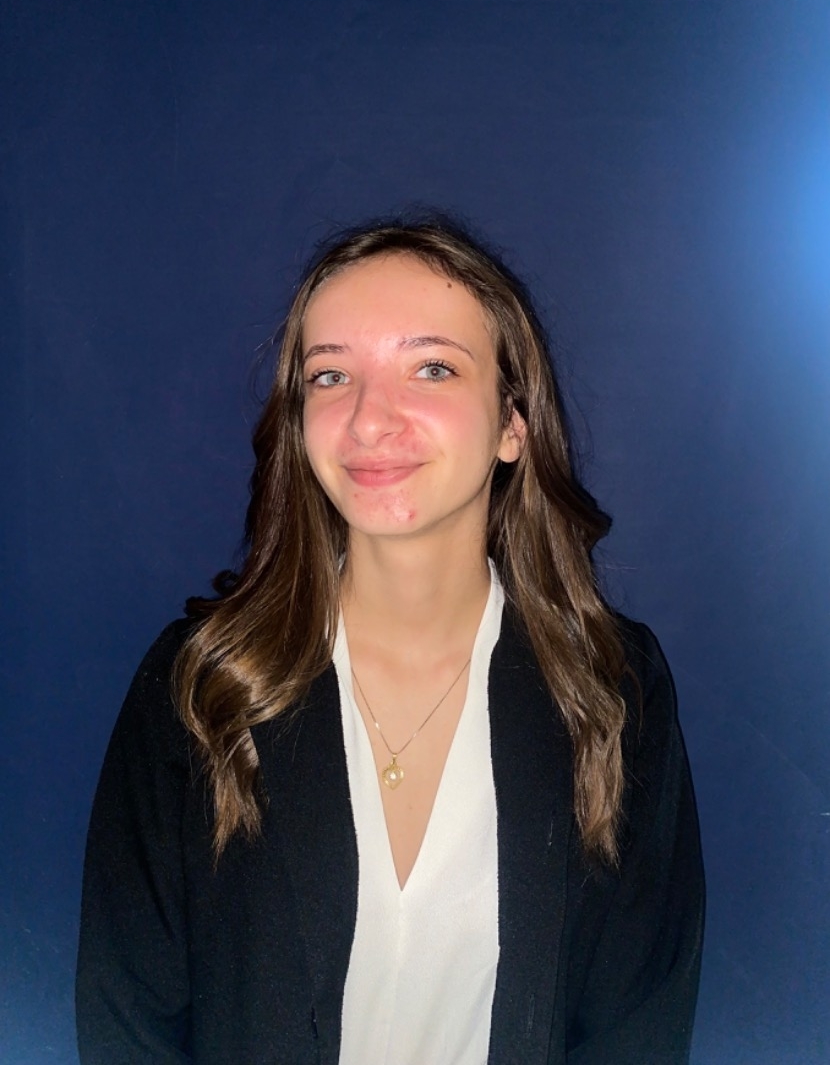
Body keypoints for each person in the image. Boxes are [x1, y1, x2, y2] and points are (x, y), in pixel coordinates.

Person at [76, 215, 705, 1064]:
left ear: (512, 423)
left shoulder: (610, 690)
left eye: (432, 367)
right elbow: (126, 1024)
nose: (369, 419)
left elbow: (638, 1028)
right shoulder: (201, 687)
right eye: (330, 375)